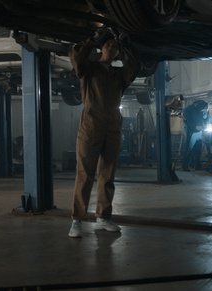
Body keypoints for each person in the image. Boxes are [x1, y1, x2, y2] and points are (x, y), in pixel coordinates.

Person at [68, 29, 141, 238]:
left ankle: (103, 217)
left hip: (112, 129)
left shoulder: (119, 74)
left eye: (115, 47)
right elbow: (75, 56)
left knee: (107, 175)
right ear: (102, 48)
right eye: (108, 45)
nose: (112, 48)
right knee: (85, 174)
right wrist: (92, 40)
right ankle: (77, 220)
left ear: (118, 53)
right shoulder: (88, 69)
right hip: (91, 127)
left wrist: (126, 44)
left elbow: (135, 66)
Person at [181, 100, 208, 171]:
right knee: (189, 149)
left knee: (198, 149)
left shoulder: (199, 110)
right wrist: (194, 127)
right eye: (201, 108)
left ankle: (198, 166)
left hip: (199, 132)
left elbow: (203, 119)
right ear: (196, 104)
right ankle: (185, 166)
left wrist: (205, 116)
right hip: (192, 132)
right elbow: (185, 120)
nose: (201, 109)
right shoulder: (189, 109)